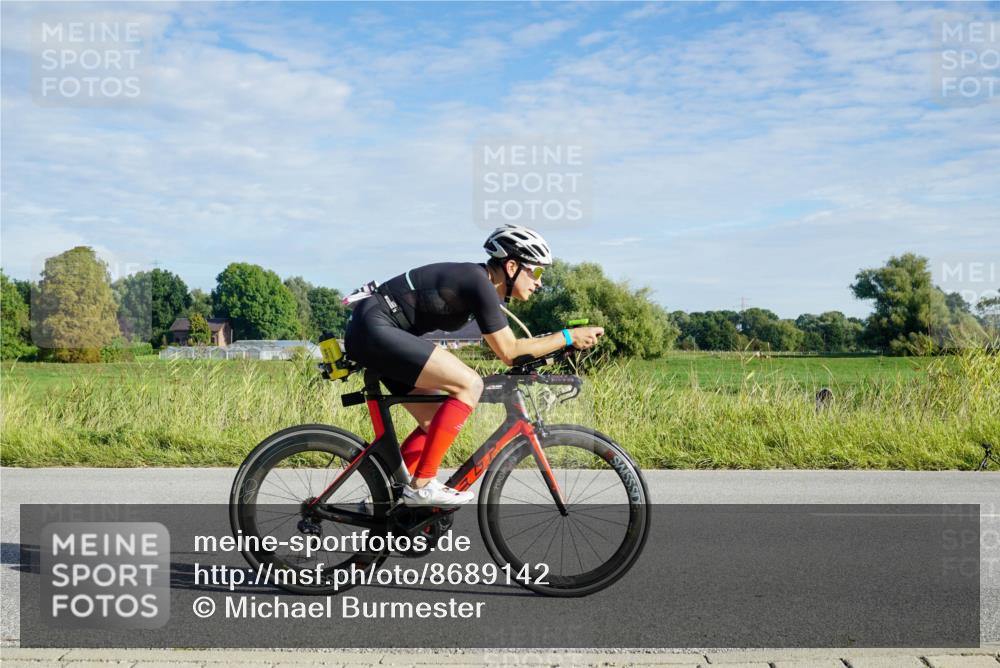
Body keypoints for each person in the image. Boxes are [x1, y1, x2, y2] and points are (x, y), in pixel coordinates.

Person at [343, 224, 604, 507]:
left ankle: (386, 502)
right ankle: (422, 485)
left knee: (433, 421)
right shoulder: (478, 282)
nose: (539, 282)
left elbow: (511, 348)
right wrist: (568, 336)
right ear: (512, 265)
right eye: (536, 271)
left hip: (375, 331)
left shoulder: (481, 284)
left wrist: (560, 345)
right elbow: (510, 352)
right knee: (470, 384)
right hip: (375, 328)